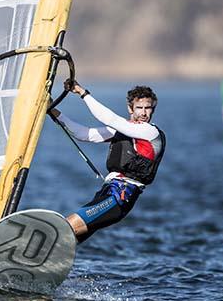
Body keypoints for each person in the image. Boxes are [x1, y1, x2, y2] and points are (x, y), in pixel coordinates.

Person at [50, 80, 166, 243]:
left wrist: (82, 92)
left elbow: (109, 118)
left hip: (120, 196)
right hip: (108, 192)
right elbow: (84, 134)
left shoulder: (149, 131)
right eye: (139, 108)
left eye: (148, 108)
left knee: (65, 227)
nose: (144, 113)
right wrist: (52, 111)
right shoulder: (124, 129)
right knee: (68, 238)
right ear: (130, 109)